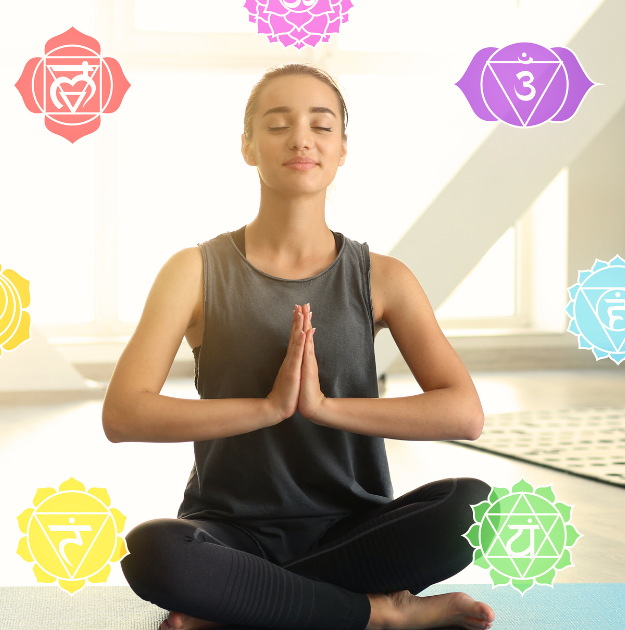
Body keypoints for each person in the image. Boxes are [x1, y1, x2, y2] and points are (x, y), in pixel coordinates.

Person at [101, 63, 497, 630]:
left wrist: (324, 409)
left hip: (354, 529)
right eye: (278, 124)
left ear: (341, 149)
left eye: (321, 125)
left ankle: (246, 605)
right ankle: (379, 615)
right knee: (153, 551)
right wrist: (267, 409)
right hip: (229, 531)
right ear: (248, 146)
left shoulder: (383, 278)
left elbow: (464, 412)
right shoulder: (192, 272)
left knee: (475, 508)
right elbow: (123, 413)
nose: (301, 139)